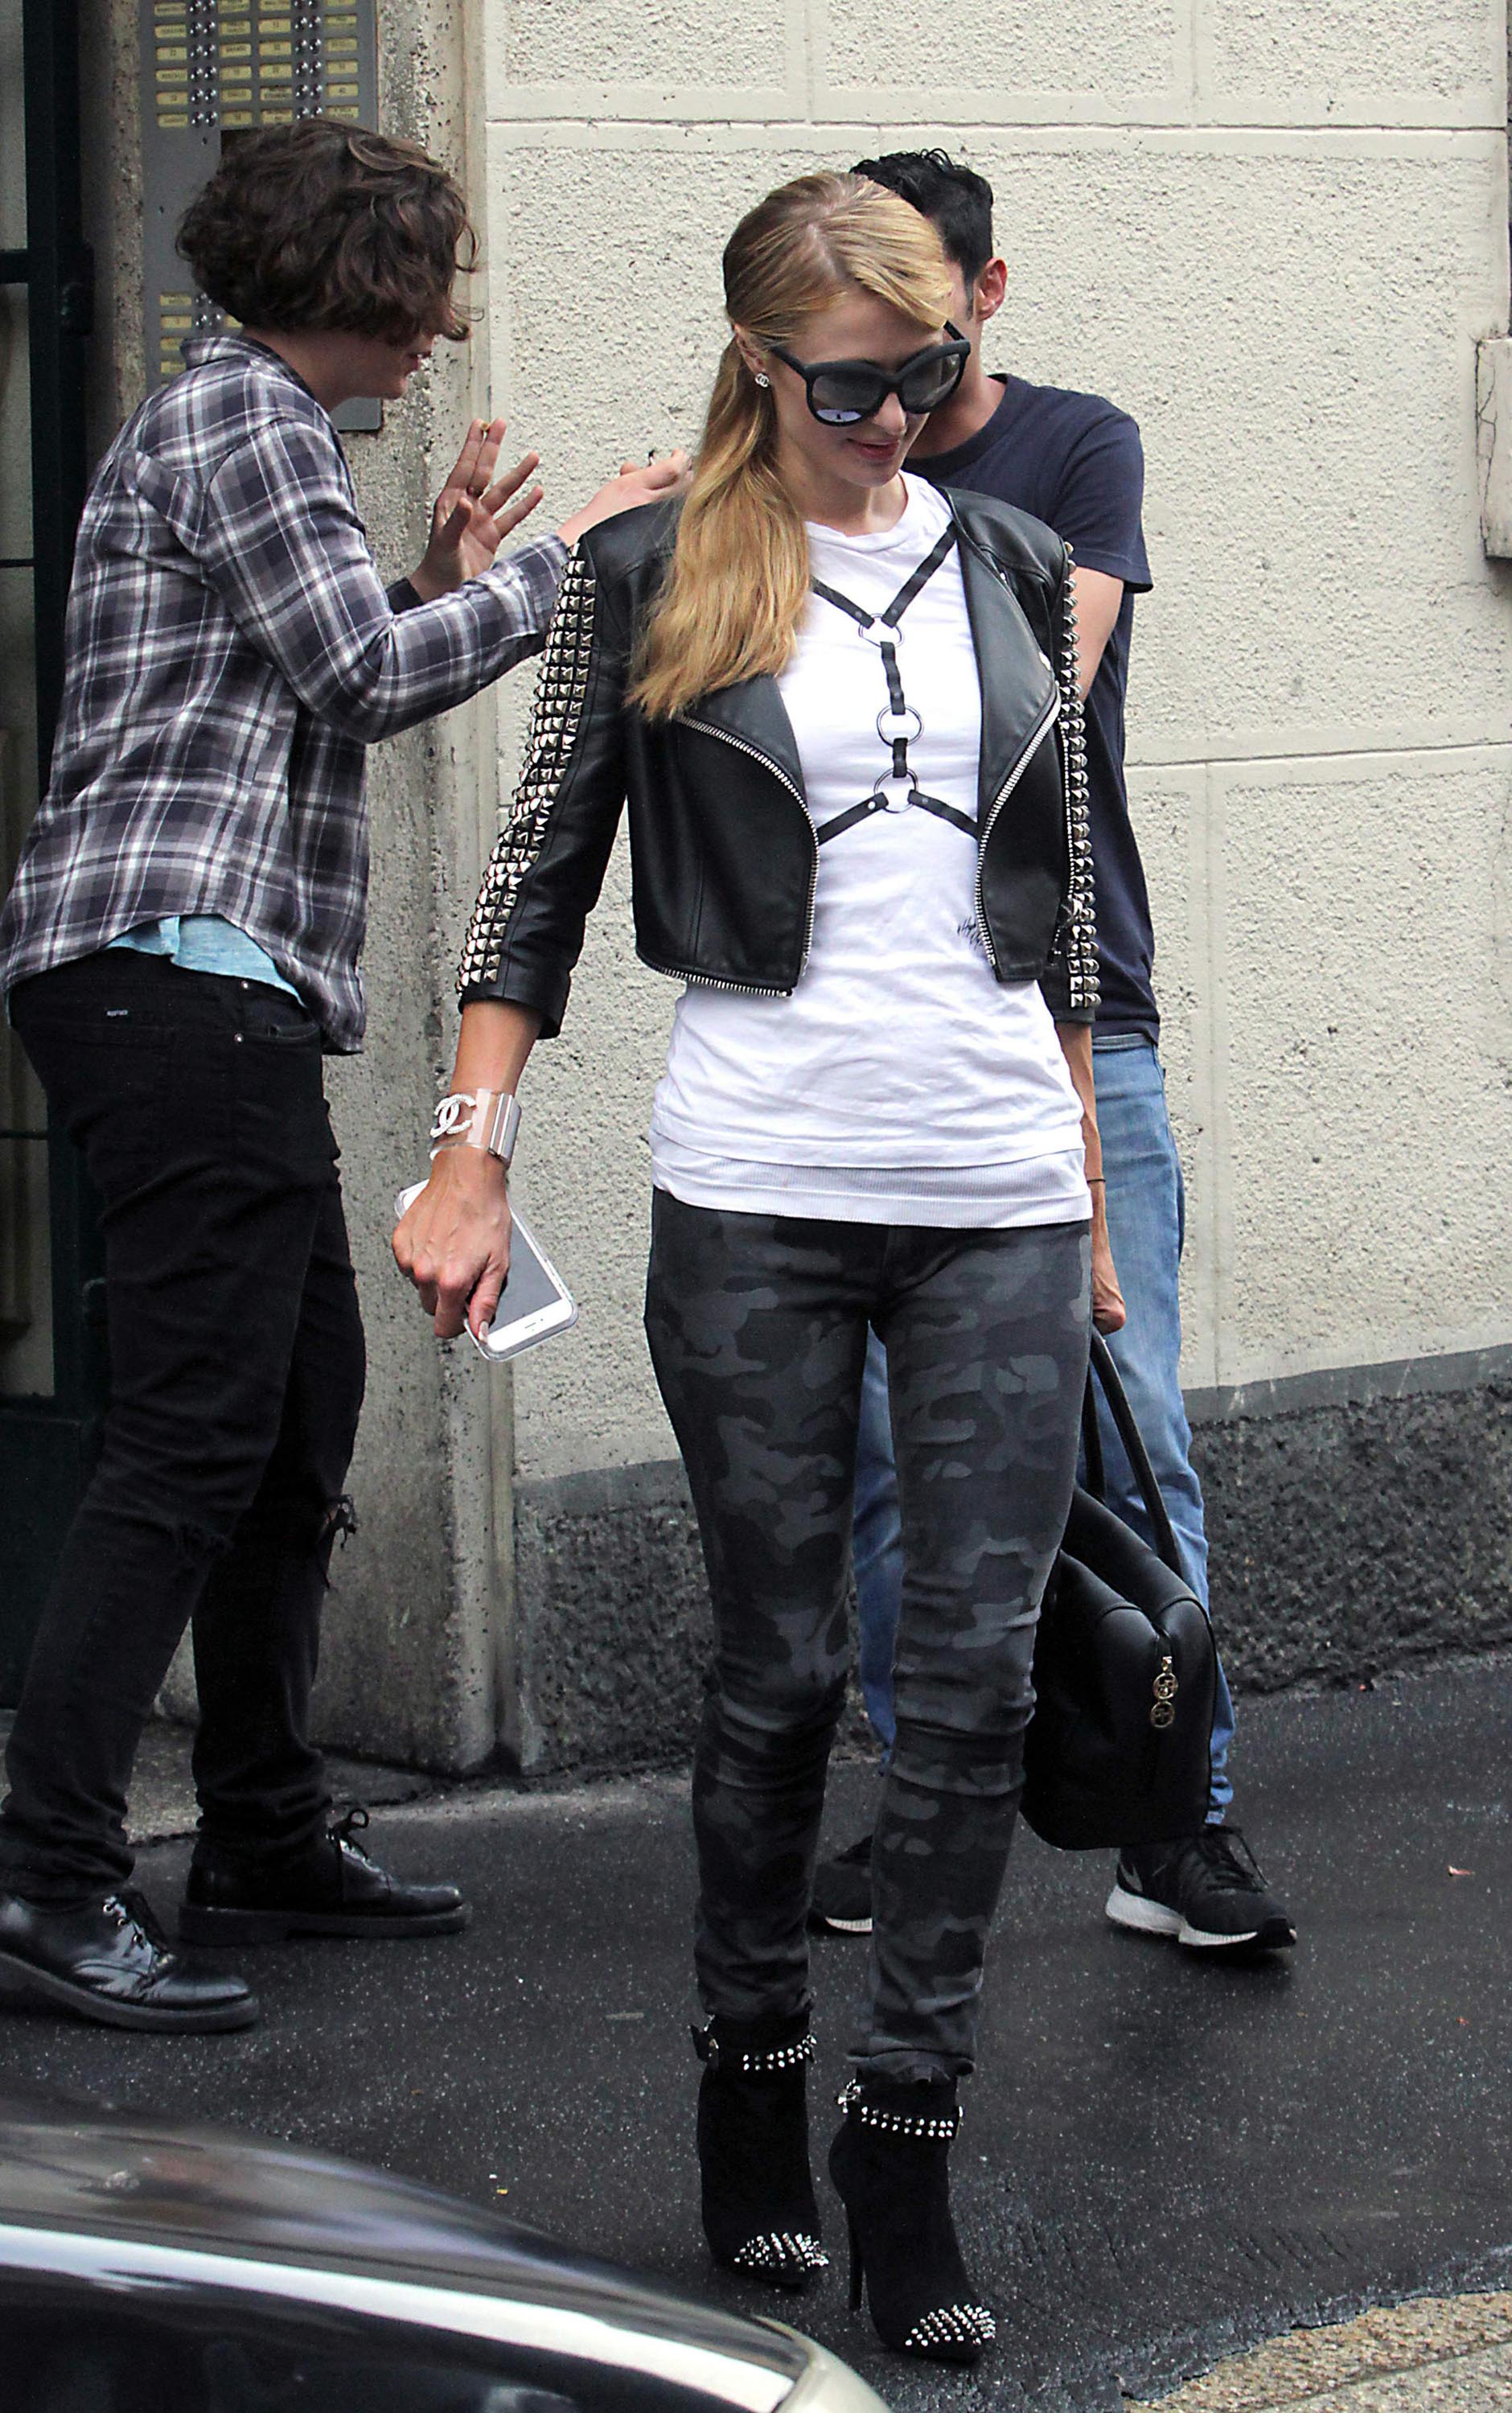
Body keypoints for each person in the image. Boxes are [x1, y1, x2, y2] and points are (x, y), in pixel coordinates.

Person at [395, 169, 1118, 2367]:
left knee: (974, 1685)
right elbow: (533, 884)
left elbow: (1066, 897)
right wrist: (469, 1158)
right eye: (848, 385)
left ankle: (905, 2140)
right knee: (782, 1672)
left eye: (928, 375)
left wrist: (1088, 1178)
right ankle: (751, 2074)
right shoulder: (653, 569)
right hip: (762, 1188)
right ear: (757, 364)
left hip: (994, 1183)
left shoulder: (1013, 558)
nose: (892, 419)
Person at [0, 117, 681, 2037]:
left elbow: (312, 662)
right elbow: (360, 681)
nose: (444, 328)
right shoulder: (247, 420)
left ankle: (263, 1824)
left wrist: (434, 575)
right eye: (429, 289)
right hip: (171, 978)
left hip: (211, 991)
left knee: (297, 1421)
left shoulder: (252, 429)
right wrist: (554, 567)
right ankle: (48, 1878)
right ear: (361, 285)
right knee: (194, 1440)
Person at [805, 148, 1295, 1959]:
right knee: (886, 1461)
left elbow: (1034, 688)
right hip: (863, 1030)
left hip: (1083, 1003)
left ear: (982, 294)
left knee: (1128, 1423)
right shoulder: (796, 471)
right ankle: (923, 1810)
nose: (886, 377)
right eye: (849, 340)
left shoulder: (1075, 450)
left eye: (918, 322)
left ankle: (1178, 1823)